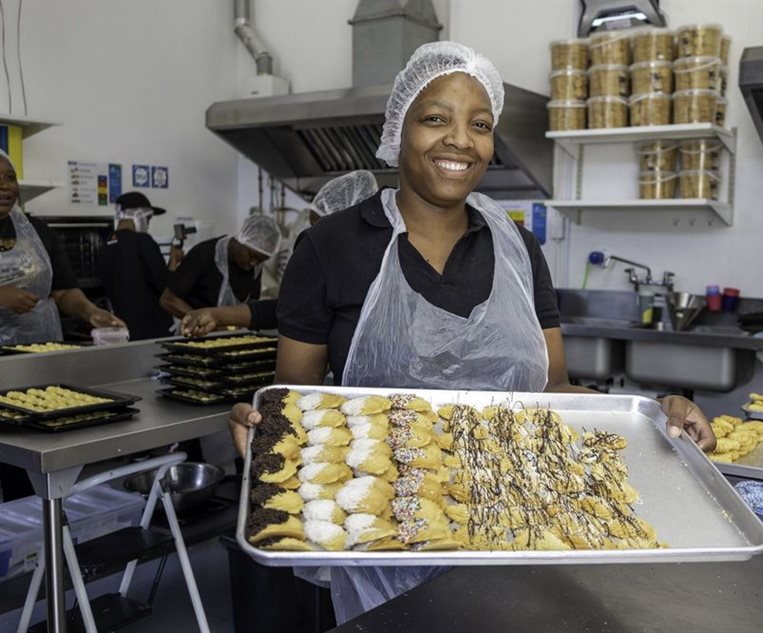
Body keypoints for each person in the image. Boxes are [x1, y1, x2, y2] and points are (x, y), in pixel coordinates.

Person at [228, 42, 715, 623]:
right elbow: (299, 409)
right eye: (436, 118)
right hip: (391, 548)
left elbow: (553, 393)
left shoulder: (517, 248)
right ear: (398, 130)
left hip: (526, 533)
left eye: (480, 125)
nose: (460, 139)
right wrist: (257, 427)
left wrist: (653, 414)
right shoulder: (330, 247)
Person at [0, 149, 126, 500]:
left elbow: (64, 290)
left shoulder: (37, 230)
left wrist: (89, 313)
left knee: (35, 460)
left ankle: (37, 535)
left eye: (10, 178)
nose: (5, 186)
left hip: (38, 363)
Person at [180, 171, 378, 338]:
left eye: (320, 229)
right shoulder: (331, 266)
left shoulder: (380, 268)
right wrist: (217, 315)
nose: (315, 238)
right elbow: (289, 309)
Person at [159, 214, 281, 328]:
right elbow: (168, 300)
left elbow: (251, 305)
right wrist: (205, 321)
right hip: (197, 336)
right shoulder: (204, 254)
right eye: (251, 255)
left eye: (261, 260)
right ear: (240, 240)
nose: (254, 263)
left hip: (232, 339)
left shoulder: (254, 266)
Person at [96, 192, 175, 340]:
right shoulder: (143, 241)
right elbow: (166, 284)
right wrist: (175, 260)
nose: (148, 223)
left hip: (123, 329)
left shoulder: (105, 246)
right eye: (148, 218)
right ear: (137, 215)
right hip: (153, 330)